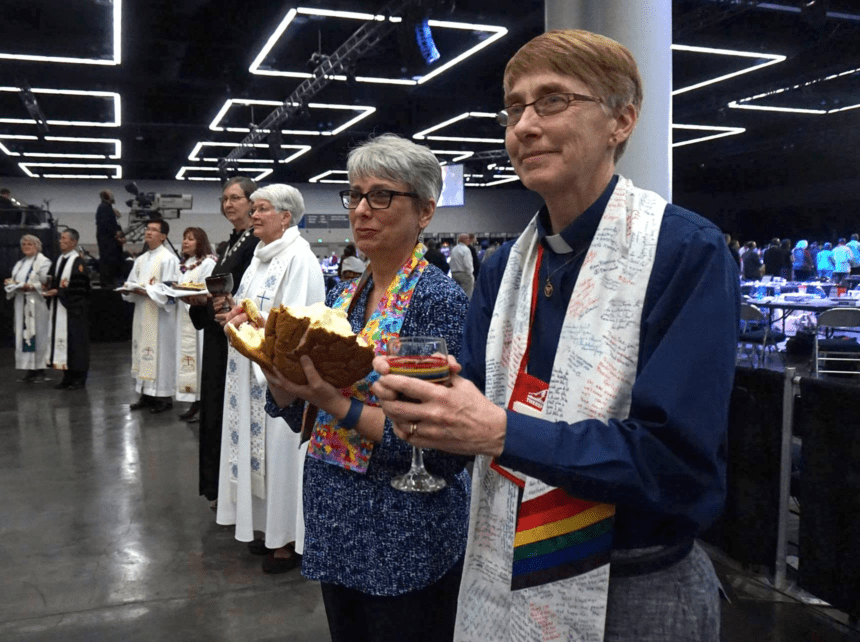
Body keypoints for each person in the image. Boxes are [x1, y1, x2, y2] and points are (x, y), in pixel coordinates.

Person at [372, 30, 738, 641]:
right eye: (514, 108)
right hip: (503, 562)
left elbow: (676, 464)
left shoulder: (684, 252)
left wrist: (502, 432)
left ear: (622, 120)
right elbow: (471, 418)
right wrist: (426, 418)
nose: (524, 126)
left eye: (552, 101)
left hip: (636, 585)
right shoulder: (503, 268)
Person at [258, 134, 470, 640]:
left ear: (425, 211)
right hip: (337, 516)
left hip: (402, 527)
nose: (361, 210)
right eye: (354, 195)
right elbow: (306, 419)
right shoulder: (344, 296)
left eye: (381, 196)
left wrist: (337, 403)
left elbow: (442, 448)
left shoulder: (438, 302)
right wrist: (282, 379)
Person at [216, 183, 325, 574]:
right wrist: (234, 313)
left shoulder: (300, 258)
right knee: (256, 452)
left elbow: (296, 324)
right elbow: (251, 305)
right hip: (251, 370)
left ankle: (291, 541)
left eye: (261, 209)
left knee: (281, 453)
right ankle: (268, 529)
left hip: (282, 380)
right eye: (255, 209)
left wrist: (252, 321)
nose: (254, 215)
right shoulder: (261, 257)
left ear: (285, 217)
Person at [187, 177, 260, 509]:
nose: (229, 204)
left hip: (236, 338)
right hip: (219, 333)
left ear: (251, 201)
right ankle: (220, 485)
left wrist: (225, 305)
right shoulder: (233, 241)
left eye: (236, 198)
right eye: (224, 199)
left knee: (227, 410)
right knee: (216, 409)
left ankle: (232, 489)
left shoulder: (255, 244)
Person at [121, 219, 182, 414]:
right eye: (147, 229)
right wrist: (129, 290)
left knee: (160, 353)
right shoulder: (141, 259)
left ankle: (163, 396)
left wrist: (147, 291)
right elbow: (131, 283)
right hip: (142, 313)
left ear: (163, 236)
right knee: (142, 351)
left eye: (154, 230)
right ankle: (145, 393)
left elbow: (170, 290)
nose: (148, 232)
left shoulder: (168, 259)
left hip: (160, 316)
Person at [174, 227, 215, 420]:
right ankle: (194, 402)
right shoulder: (187, 263)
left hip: (198, 319)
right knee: (190, 361)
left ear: (200, 242)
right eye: (184, 238)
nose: (185, 242)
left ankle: (202, 404)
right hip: (184, 318)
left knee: (199, 361)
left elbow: (206, 288)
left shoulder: (207, 263)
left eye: (190, 239)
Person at [45, 228, 91, 390]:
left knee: (76, 344)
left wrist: (59, 291)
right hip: (60, 308)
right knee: (63, 343)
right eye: (60, 238)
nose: (61, 241)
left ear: (73, 242)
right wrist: (48, 287)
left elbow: (81, 287)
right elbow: (53, 281)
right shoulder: (59, 260)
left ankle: (79, 378)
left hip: (74, 310)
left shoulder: (78, 262)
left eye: (64, 238)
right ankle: (67, 376)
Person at [6, 235, 52, 383]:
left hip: (36, 304)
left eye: (30, 244)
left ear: (37, 246)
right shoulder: (20, 263)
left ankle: (40, 368)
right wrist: (10, 283)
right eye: (24, 244)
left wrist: (29, 286)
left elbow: (47, 283)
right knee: (23, 335)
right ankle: (28, 369)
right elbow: (15, 280)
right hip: (21, 302)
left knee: (37, 335)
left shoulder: (44, 262)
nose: (26, 246)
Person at [95, 190, 126, 289]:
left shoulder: (107, 208)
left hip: (108, 241)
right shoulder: (104, 208)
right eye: (112, 195)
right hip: (107, 242)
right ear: (107, 197)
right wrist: (116, 234)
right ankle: (108, 283)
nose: (114, 198)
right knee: (108, 262)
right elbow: (106, 225)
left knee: (110, 262)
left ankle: (110, 282)